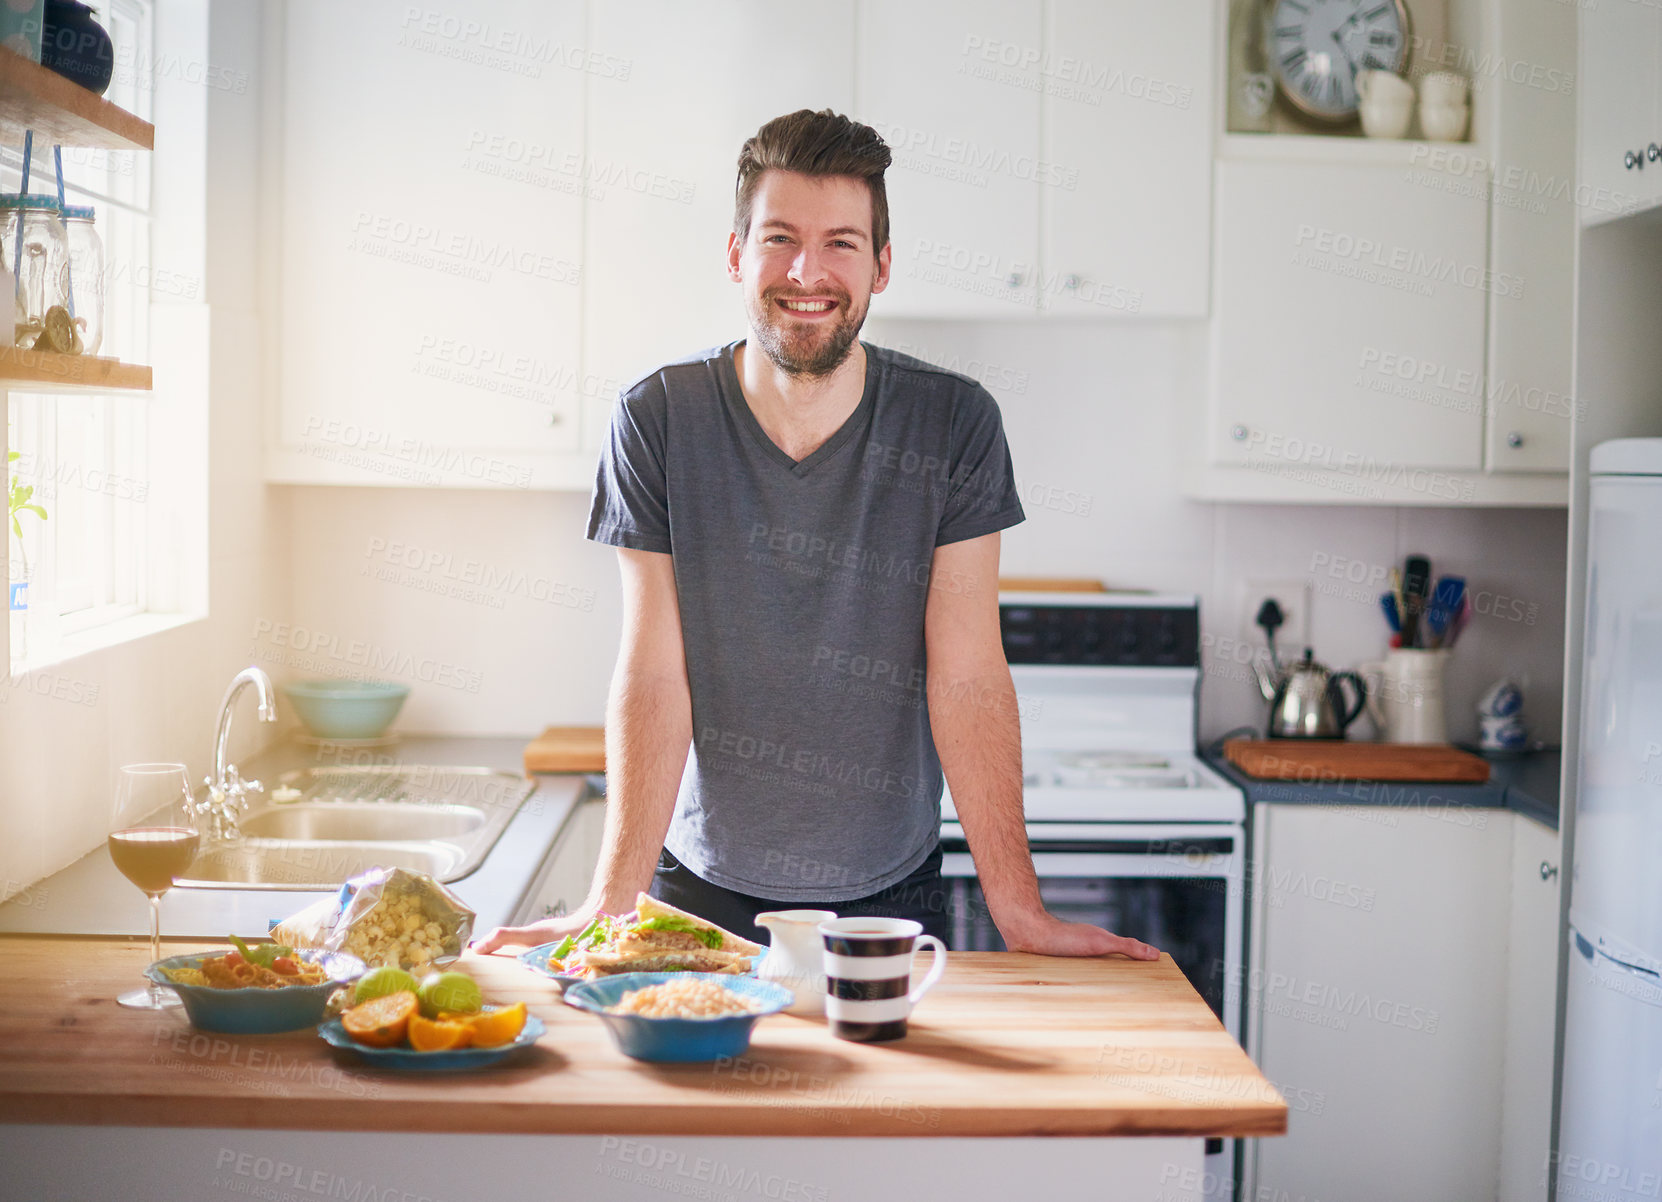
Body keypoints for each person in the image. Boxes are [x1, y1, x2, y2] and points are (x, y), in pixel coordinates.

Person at [475, 109, 1157, 962]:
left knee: (883, 1099)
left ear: (881, 266)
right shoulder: (656, 420)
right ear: (735, 254)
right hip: (697, 888)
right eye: (779, 238)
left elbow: (970, 672)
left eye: (841, 242)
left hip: (890, 892)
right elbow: (653, 670)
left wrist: (1020, 913)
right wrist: (610, 901)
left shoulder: (955, 425)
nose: (808, 271)